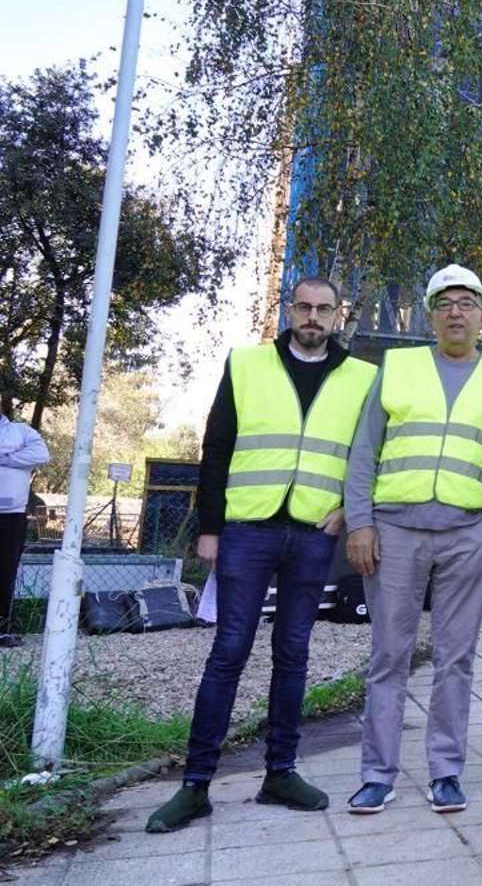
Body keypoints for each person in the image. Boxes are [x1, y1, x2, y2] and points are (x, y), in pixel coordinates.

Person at [146, 277, 377, 832]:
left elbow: (368, 455)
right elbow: (217, 446)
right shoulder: (247, 365)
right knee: (228, 651)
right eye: (304, 307)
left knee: (293, 653)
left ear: (338, 316)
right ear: (290, 310)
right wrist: (210, 528)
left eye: (324, 309)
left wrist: (349, 510)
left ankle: (280, 772)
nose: (313, 317)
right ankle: (196, 784)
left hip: (313, 531)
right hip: (248, 529)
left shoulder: (364, 378)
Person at [343, 265, 482, 815]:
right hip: (394, 530)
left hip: (469, 531)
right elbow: (364, 450)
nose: (456, 311)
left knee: (456, 657)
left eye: (467, 302)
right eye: (445, 302)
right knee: (389, 654)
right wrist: (360, 522)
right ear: (430, 313)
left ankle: (446, 771)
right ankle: (378, 774)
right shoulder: (397, 368)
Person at [0, 413, 48, 650]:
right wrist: (17, 455)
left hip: (11, 514)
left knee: (5, 571)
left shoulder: (21, 432)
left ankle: (2, 630)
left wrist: (6, 458)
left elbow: (41, 454)